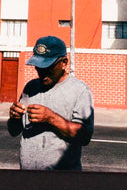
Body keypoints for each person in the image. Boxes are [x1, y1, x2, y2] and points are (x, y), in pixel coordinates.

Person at [7, 35, 94, 170]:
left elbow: (84, 137)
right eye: (38, 67)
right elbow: (14, 131)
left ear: (64, 62)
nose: (42, 73)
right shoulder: (31, 87)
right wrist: (14, 118)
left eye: (48, 67)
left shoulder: (80, 91)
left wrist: (51, 118)